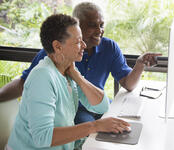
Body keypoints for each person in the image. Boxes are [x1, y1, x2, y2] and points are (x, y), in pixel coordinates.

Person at [0, 2, 160, 124]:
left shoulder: (109, 47)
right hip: (76, 112)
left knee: (131, 123)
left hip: (99, 104)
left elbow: (128, 84)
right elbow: (23, 84)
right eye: (92, 25)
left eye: (101, 25)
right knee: (93, 132)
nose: (99, 30)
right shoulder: (56, 52)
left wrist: (139, 65)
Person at [6, 14, 130, 150]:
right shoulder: (42, 77)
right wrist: (95, 126)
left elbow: (102, 107)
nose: (84, 45)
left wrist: (79, 78)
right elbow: (43, 137)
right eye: (78, 42)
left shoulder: (68, 70)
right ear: (58, 47)